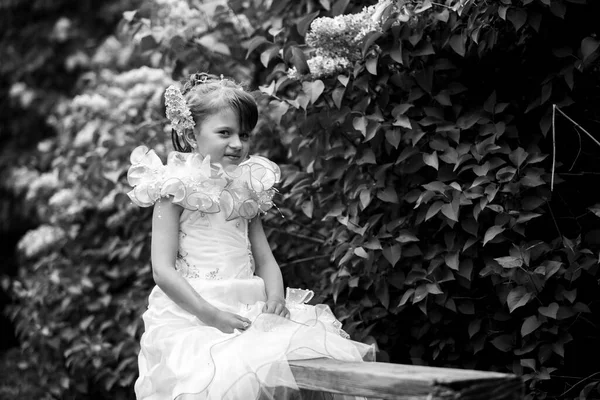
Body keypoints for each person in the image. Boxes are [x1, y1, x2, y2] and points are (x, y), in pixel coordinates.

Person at [127, 73, 374, 400]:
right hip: (195, 313)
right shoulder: (173, 190)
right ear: (190, 134)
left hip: (251, 309)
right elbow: (163, 270)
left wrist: (275, 298)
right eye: (224, 133)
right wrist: (210, 315)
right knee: (215, 382)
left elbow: (265, 258)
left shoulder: (246, 189)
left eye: (244, 134)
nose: (237, 144)